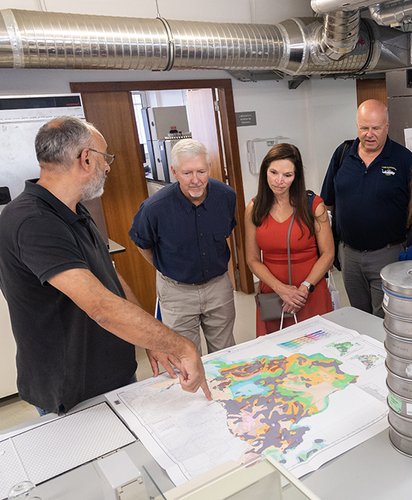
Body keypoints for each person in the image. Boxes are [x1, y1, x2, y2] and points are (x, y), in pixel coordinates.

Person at [0, 116, 210, 415]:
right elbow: (101, 307)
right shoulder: (33, 221)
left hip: (111, 375)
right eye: (105, 156)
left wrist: (152, 340)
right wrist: (182, 347)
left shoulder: (73, 209)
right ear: (86, 158)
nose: (109, 166)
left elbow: (109, 275)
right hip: (72, 389)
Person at [130, 139, 237, 355]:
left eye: (201, 171)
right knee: (185, 357)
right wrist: (167, 268)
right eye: (187, 173)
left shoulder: (226, 196)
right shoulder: (154, 208)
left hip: (218, 287)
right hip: (176, 292)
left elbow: (226, 233)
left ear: (209, 169)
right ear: (174, 171)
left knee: (226, 354)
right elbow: (143, 244)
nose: (196, 180)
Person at [320, 99, 412, 317]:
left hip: (388, 254)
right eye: (364, 128)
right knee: (358, 315)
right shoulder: (343, 154)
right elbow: (327, 201)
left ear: (387, 127)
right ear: (357, 126)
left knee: (384, 317)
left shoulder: (403, 159)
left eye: (375, 128)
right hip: (349, 255)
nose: (369, 134)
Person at [245, 143, 334, 336]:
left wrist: (304, 288)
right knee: (277, 358)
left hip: (309, 293)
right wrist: (281, 289)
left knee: (318, 356)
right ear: (264, 172)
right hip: (273, 295)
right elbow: (252, 259)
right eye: (273, 172)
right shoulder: (254, 208)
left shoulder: (313, 205)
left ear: (297, 176)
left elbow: (328, 254)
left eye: (287, 175)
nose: (279, 181)